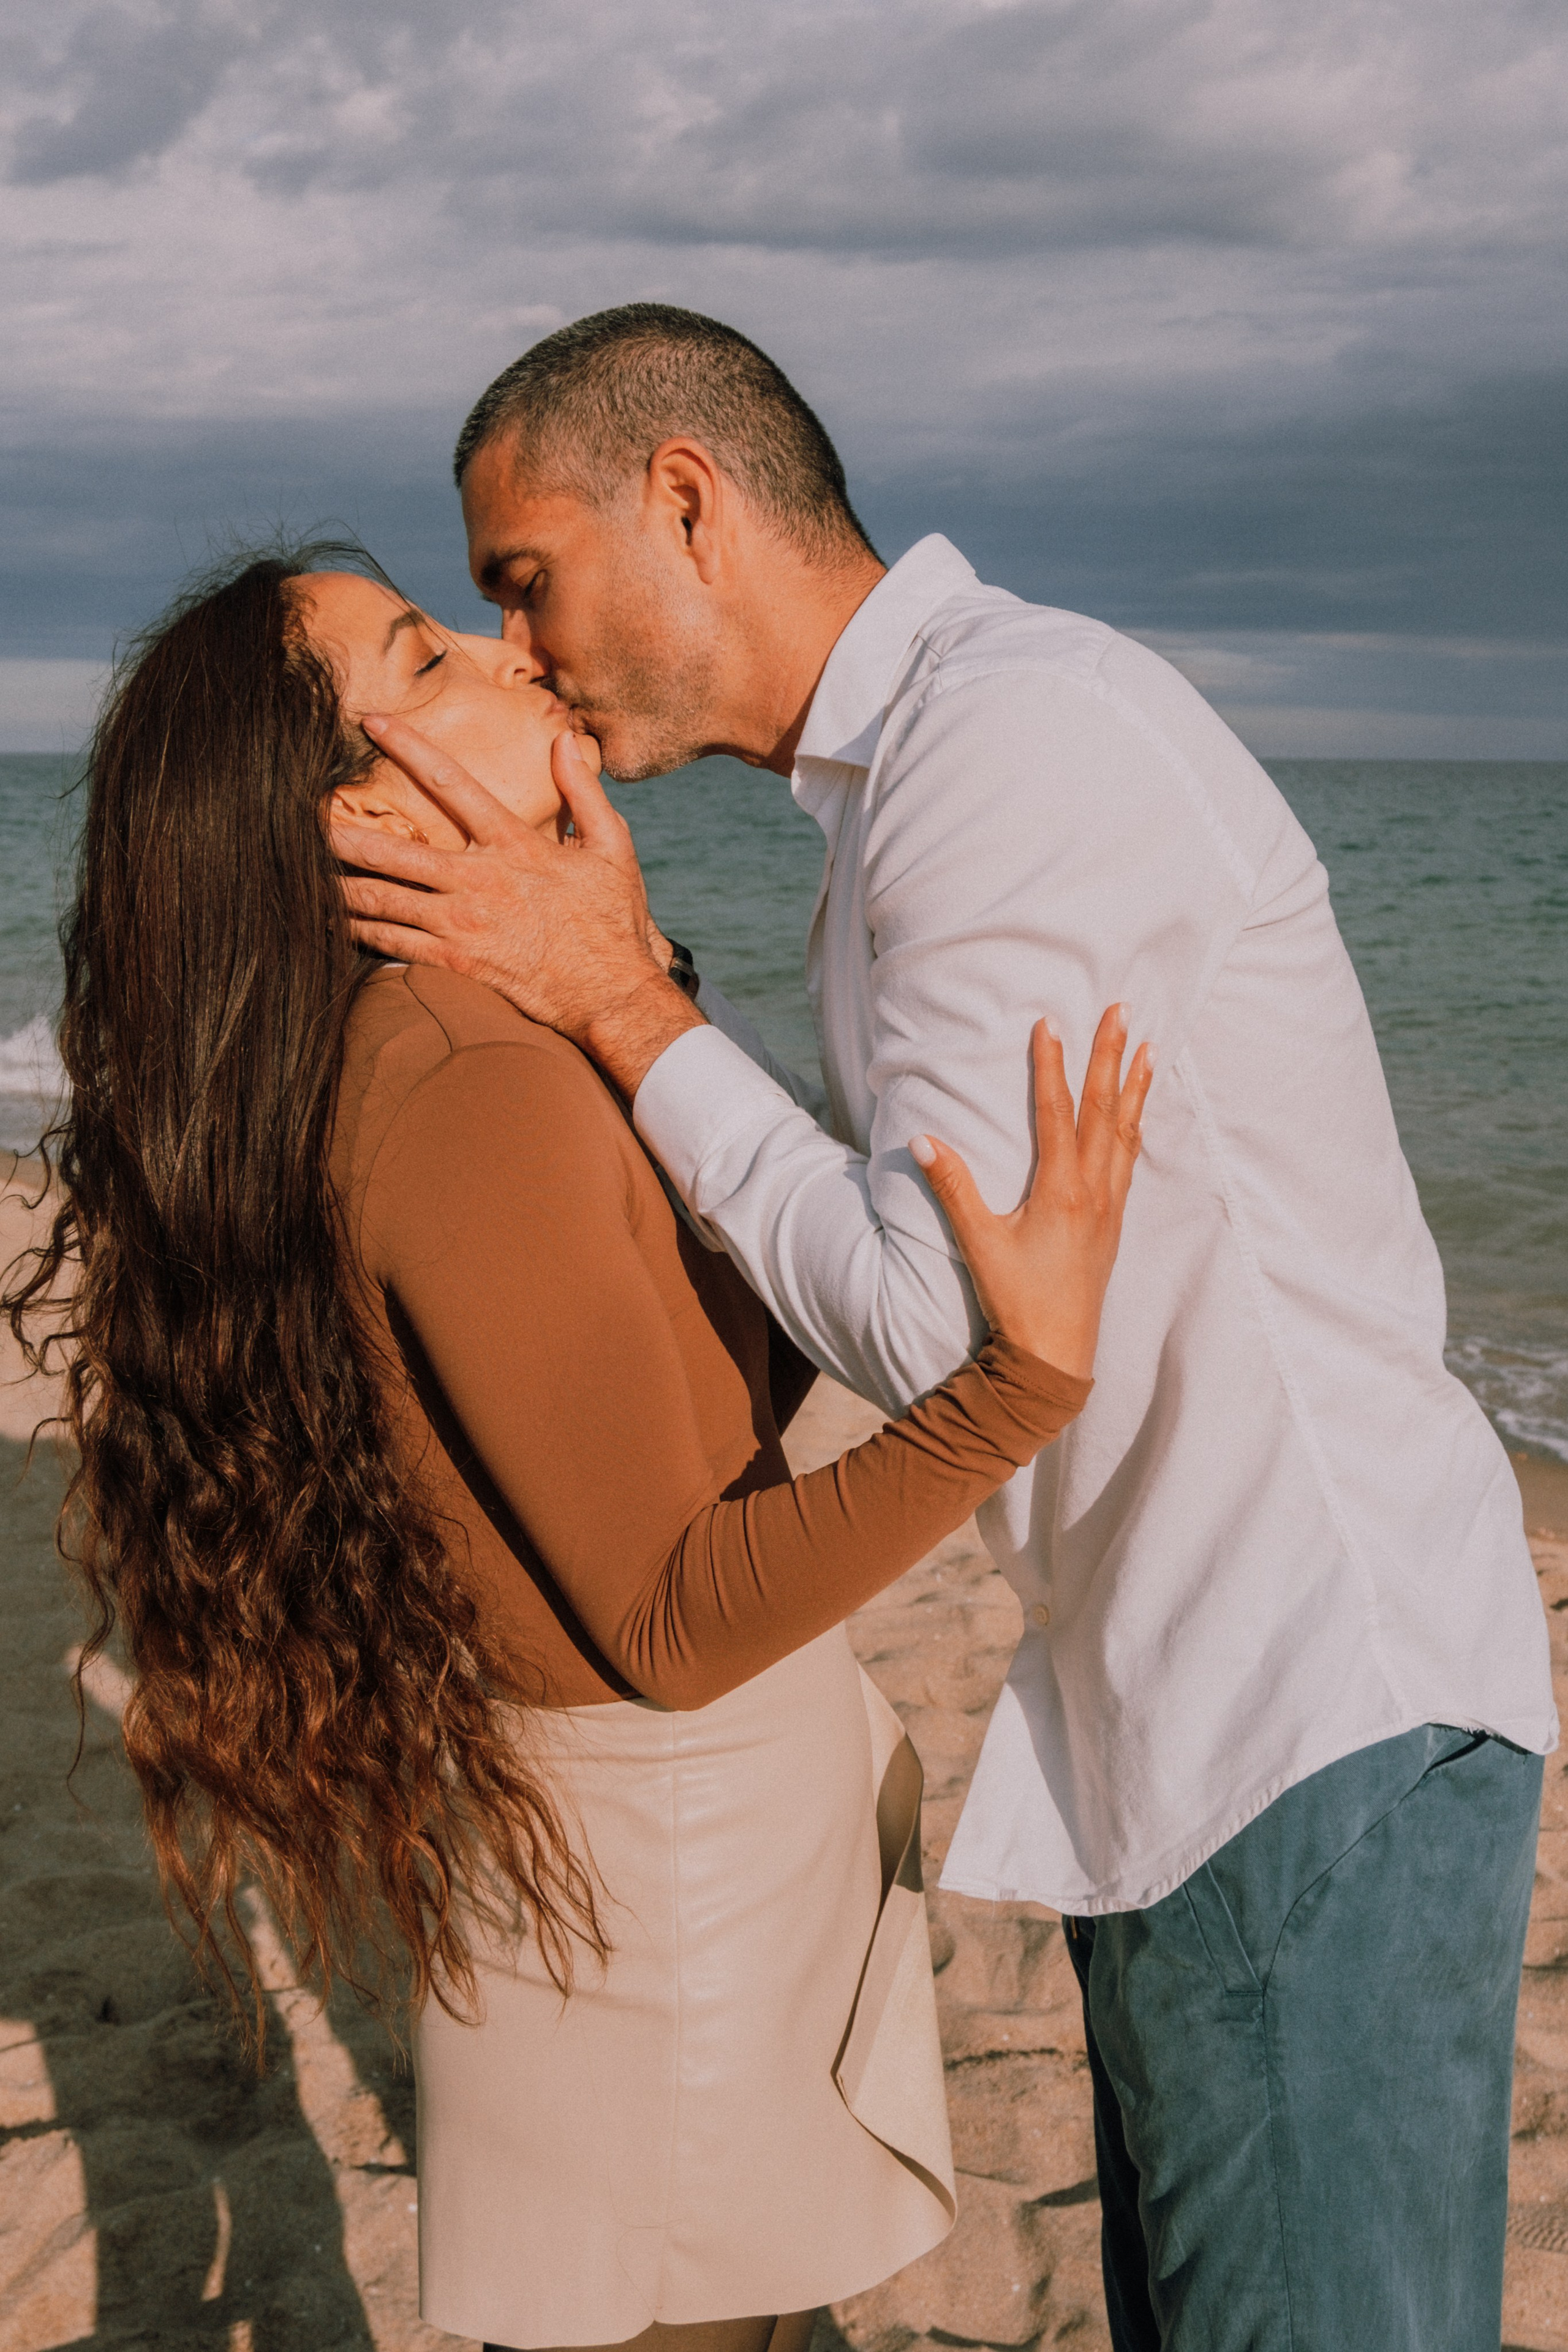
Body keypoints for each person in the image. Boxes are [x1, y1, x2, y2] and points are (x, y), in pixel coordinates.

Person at [334, 304, 1557, 2352]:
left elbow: (934, 1323)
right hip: (1194, 1713)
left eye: (524, 579)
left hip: (1302, 1706)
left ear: (687, 502)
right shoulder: (927, 771)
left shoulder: (1007, 753)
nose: (520, 646)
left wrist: (621, 1003)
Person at [1, 544, 1152, 2352]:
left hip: (662, 1851)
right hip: (662, 1864)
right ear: (361, 815)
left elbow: (716, 1390)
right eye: (426, 658)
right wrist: (1020, 1388)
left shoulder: (483, 1042)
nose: (509, 653)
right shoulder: (466, 1081)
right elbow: (675, 1618)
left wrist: (631, 975)